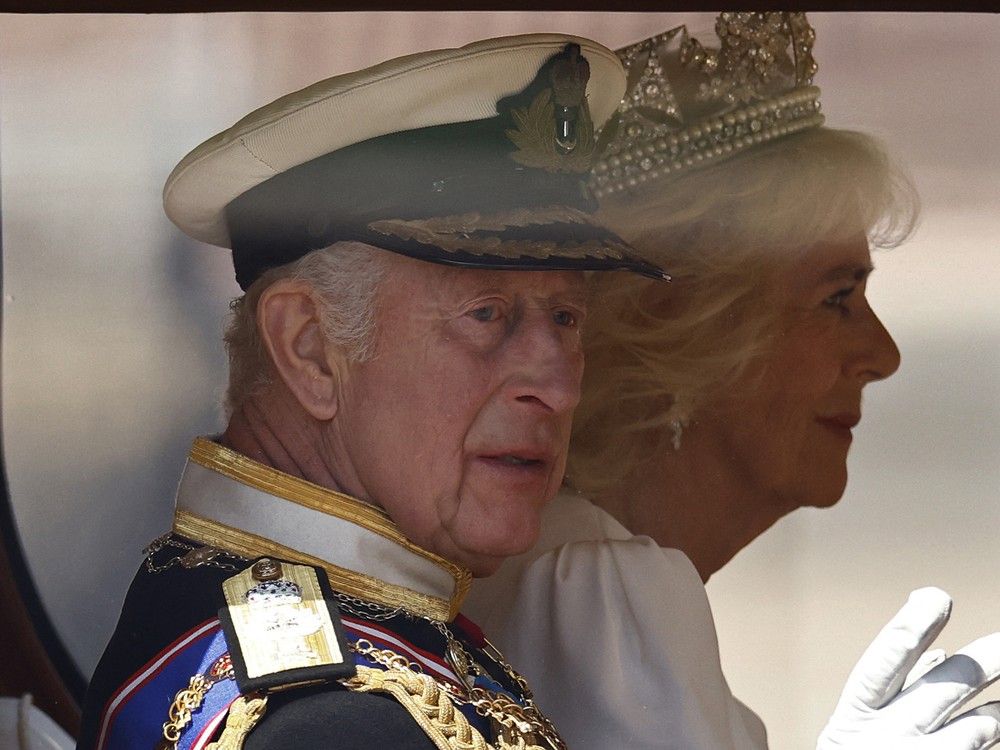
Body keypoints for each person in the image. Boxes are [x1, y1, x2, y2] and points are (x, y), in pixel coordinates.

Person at [76, 33, 667, 750]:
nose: (559, 386)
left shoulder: (339, 632)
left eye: (566, 317)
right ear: (310, 349)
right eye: (486, 314)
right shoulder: (322, 721)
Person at [465, 13, 1000, 750]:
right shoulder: (597, 592)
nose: (883, 353)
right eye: (837, 298)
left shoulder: (577, 571)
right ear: (683, 326)